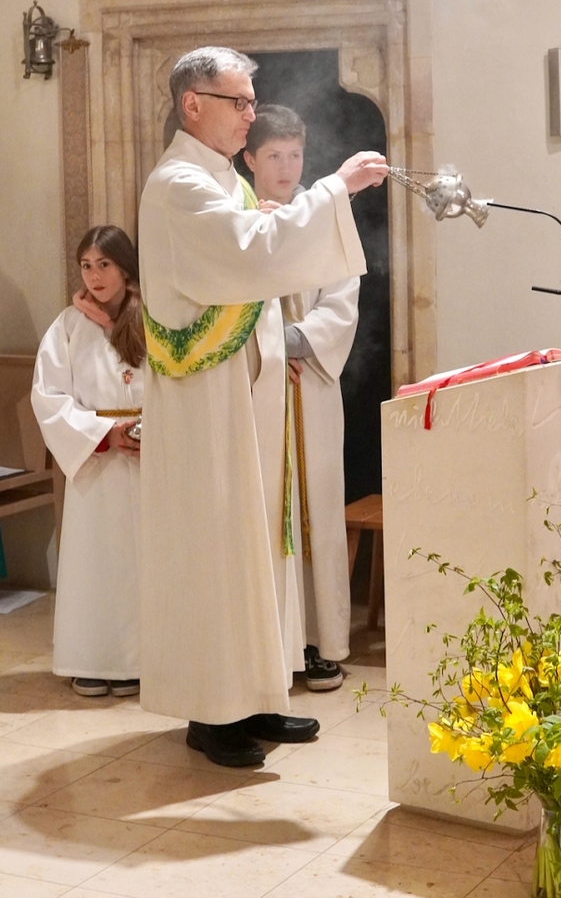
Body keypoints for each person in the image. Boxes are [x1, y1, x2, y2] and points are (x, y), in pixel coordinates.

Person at [138, 45, 387, 767]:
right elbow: (252, 252)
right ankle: (213, 713)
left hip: (247, 400)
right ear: (193, 105)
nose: (251, 114)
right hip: (209, 405)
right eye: (238, 101)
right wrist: (335, 189)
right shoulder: (180, 184)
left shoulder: (221, 179)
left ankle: (256, 693)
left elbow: (265, 244)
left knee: (256, 546)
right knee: (221, 549)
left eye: (252, 101)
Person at [244, 105, 358, 691]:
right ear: (250, 159)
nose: (286, 167)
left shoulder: (326, 215)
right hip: (256, 388)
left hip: (309, 385)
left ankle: (320, 641)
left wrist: (290, 344)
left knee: (317, 510)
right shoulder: (237, 217)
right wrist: (268, 350)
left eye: (295, 155)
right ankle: (270, 646)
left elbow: (340, 305)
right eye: (274, 156)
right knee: (264, 513)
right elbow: (224, 301)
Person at [31, 225, 144, 697]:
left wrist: (152, 432)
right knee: (96, 564)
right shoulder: (68, 327)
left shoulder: (152, 321)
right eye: (86, 266)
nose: (94, 276)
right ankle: (93, 659)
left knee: (142, 562)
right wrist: (103, 435)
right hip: (96, 465)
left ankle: (141, 659)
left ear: (125, 268)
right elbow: (48, 396)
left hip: (146, 461)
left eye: (104, 265)